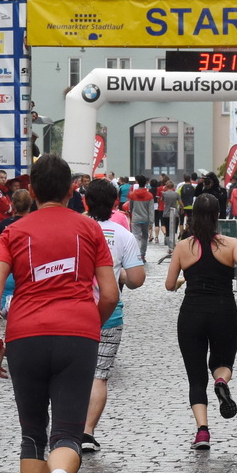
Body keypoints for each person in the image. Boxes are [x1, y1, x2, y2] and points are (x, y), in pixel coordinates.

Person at [0, 153, 118, 473]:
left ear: (33, 191)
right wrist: (86, 325)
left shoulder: (13, 231)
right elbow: (110, 295)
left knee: (31, 436)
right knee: (67, 436)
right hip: (77, 332)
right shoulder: (90, 228)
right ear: (70, 189)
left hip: (25, 334)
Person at [165, 193, 237, 452]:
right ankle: (221, 382)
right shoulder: (230, 244)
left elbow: (169, 285)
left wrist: (188, 280)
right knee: (222, 363)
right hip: (224, 311)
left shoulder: (184, 246)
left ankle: (202, 432)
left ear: (193, 215)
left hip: (191, 314)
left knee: (196, 378)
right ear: (219, 215)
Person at [80, 179, 146, 454]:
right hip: (109, 313)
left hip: (74, 312)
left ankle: (64, 428)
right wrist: (120, 274)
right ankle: (87, 431)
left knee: (72, 374)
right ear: (116, 204)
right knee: (99, 375)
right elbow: (137, 280)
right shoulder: (123, 235)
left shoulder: (76, 229)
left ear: (86, 202)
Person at [126, 176, 155, 260]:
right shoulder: (149, 195)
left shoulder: (133, 195)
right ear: (145, 183)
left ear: (137, 182)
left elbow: (130, 207)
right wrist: (151, 222)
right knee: (145, 237)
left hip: (135, 218)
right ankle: (142, 254)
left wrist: (132, 214)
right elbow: (151, 210)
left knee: (136, 236)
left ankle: (136, 254)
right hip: (145, 219)